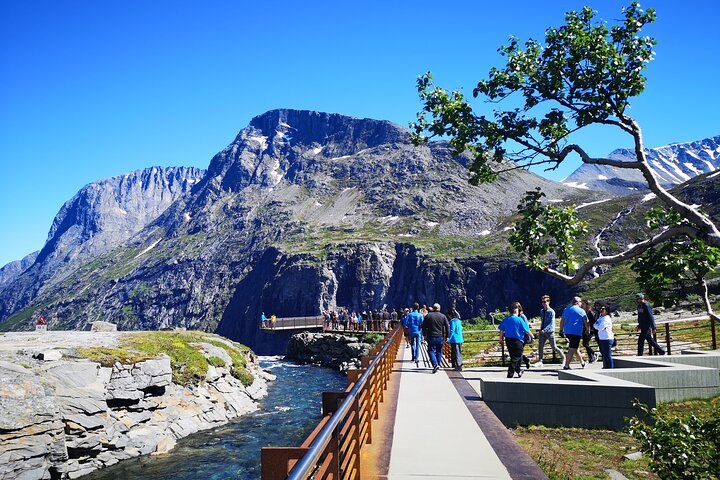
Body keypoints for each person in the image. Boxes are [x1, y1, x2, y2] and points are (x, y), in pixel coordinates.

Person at [498, 302, 532, 378]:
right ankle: (510, 374)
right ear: (516, 311)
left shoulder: (506, 319)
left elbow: (501, 330)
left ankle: (518, 371)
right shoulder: (519, 319)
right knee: (516, 357)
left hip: (508, 340)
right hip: (518, 341)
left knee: (513, 356)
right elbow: (527, 330)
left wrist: (500, 339)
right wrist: (532, 336)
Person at [536, 295, 565, 367]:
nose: (544, 303)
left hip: (550, 332)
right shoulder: (542, 311)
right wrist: (540, 329)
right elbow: (543, 321)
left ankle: (564, 357)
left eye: (545, 301)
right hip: (542, 332)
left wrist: (544, 330)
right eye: (542, 301)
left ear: (548, 302)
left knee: (554, 347)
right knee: (540, 346)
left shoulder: (551, 312)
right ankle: (540, 361)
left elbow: (551, 323)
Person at [560, 296, 588, 370]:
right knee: (572, 348)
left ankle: (582, 363)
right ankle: (566, 365)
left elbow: (562, 320)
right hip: (576, 332)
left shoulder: (566, 309)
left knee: (575, 348)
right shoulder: (581, 311)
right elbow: (586, 321)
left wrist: (561, 330)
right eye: (580, 302)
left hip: (567, 331)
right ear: (577, 302)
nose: (581, 303)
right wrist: (588, 329)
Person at [422, 303, 450, 373]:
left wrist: (424, 335)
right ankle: (438, 364)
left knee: (430, 350)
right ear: (439, 308)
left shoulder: (428, 316)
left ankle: (435, 364)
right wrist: (447, 336)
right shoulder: (443, 316)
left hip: (431, 336)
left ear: (433, 308)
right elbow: (447, 327)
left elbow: (423, 326)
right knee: (439, 351)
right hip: (440, 336)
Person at [594, 305, 615, 369]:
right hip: (601, 338)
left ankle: (610, 368)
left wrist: (597, 326)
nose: (601, 310)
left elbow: (600, 327)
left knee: (608, 355)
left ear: (606, 311)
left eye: (603, 309)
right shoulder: (600, 318)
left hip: (607, 338)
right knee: (604, 354)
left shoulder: (607, 318)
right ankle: (606, 366)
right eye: (600, 309)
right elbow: (594, 325)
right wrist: (597, 326)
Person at [517, 303, 533, 370]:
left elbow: (526, 327)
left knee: (518, 351)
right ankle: (526, 360)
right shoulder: (514, 316)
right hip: (516, 336)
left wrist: (529, 337)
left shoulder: (522, 316)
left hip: (522, 337)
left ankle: (518, 366)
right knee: (518, 351)